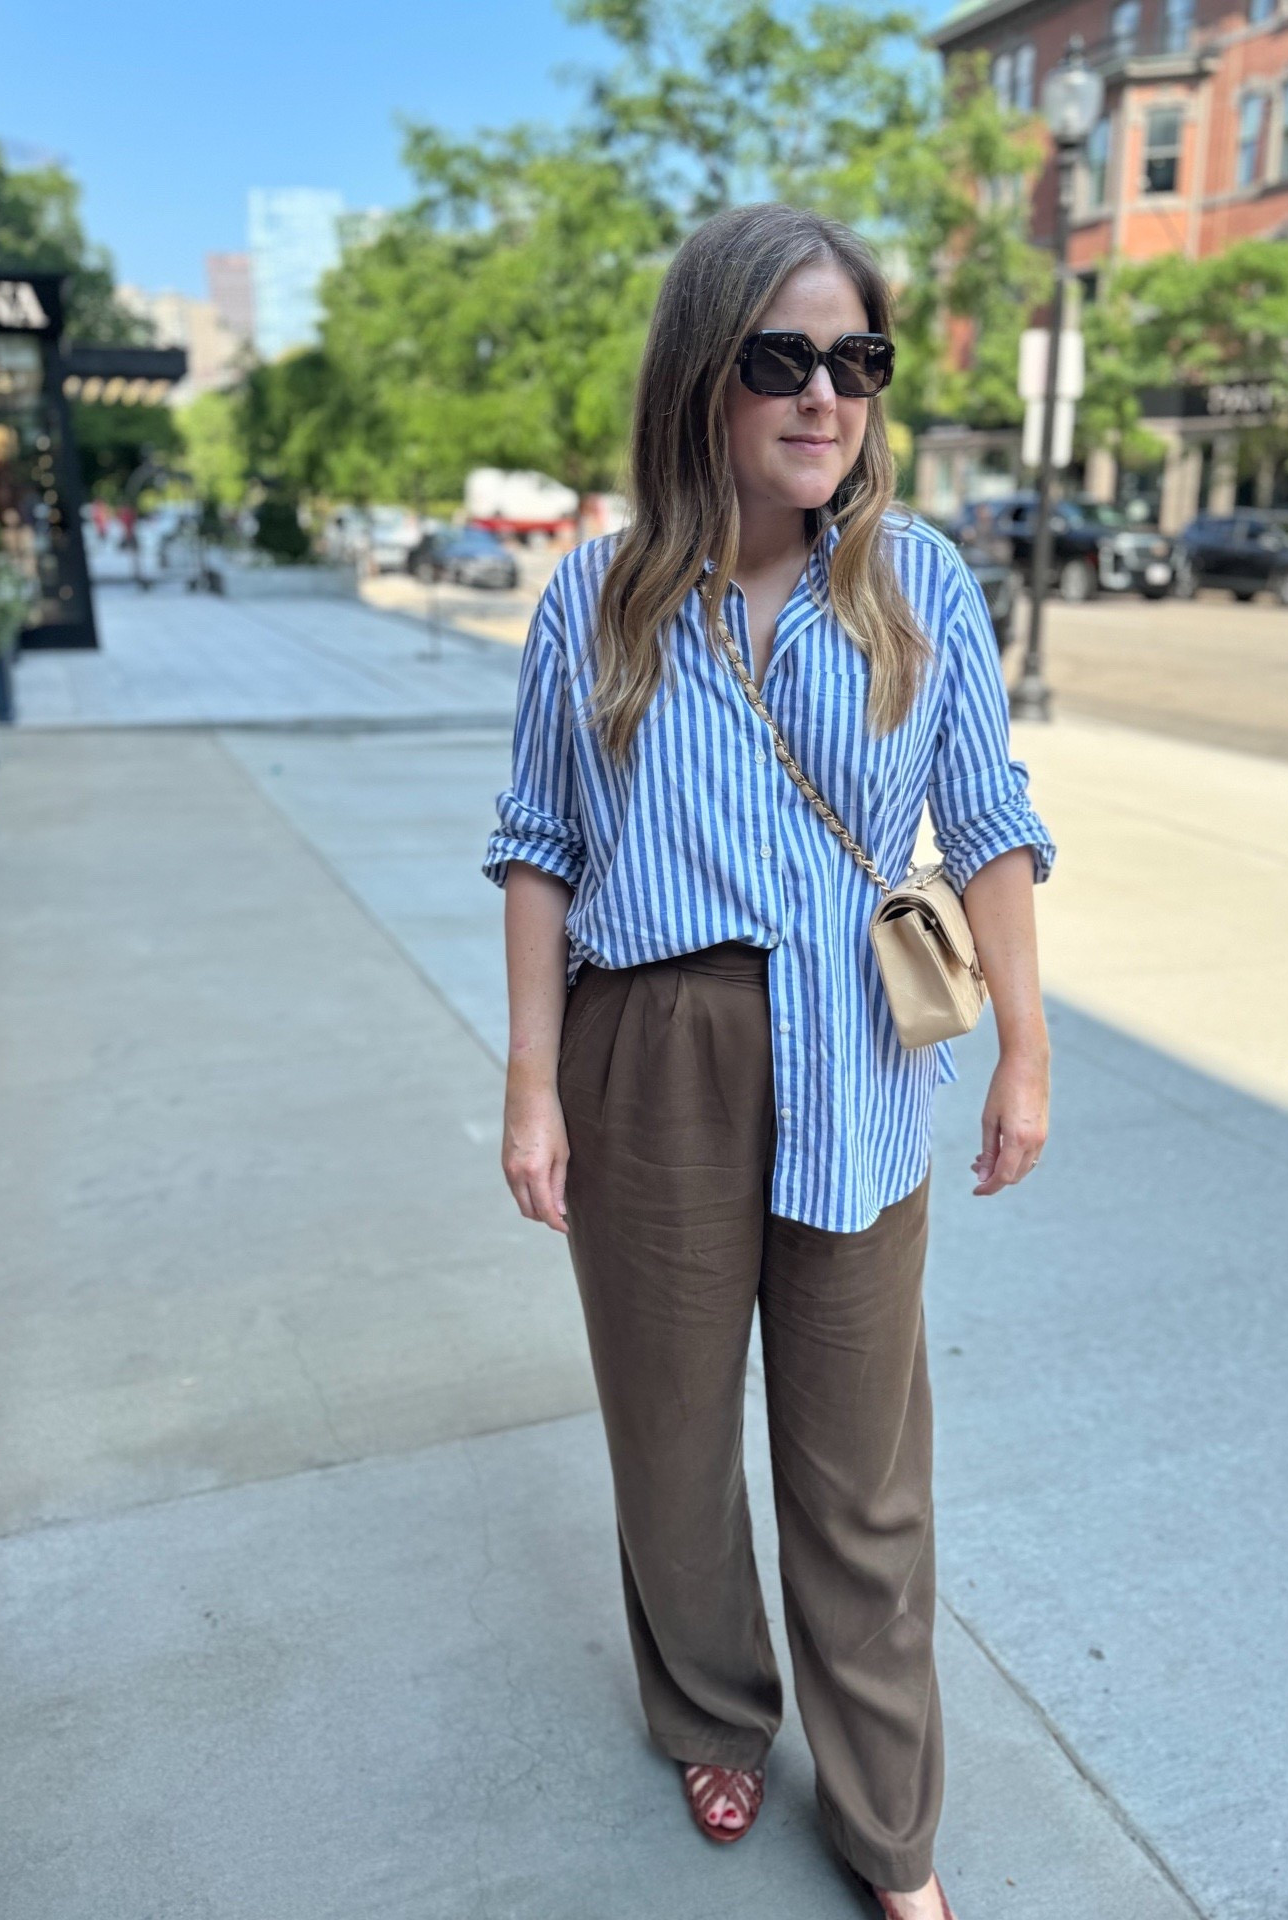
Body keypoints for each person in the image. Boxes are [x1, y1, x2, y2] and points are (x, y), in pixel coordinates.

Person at [483, 202, 1056, 1920]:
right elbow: (538, 845)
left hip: (860, 1045)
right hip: (648, 1048)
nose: (827, 398)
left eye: (857, 362)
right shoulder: (598, 596)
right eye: (783, 360)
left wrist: (1024, 1048)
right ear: (704, 374)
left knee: (863, 1468)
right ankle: (714, 1704)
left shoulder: (917, 582)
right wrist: (530, 1084)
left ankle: (892, 1828)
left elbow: (995, 822)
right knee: (669, 1439)